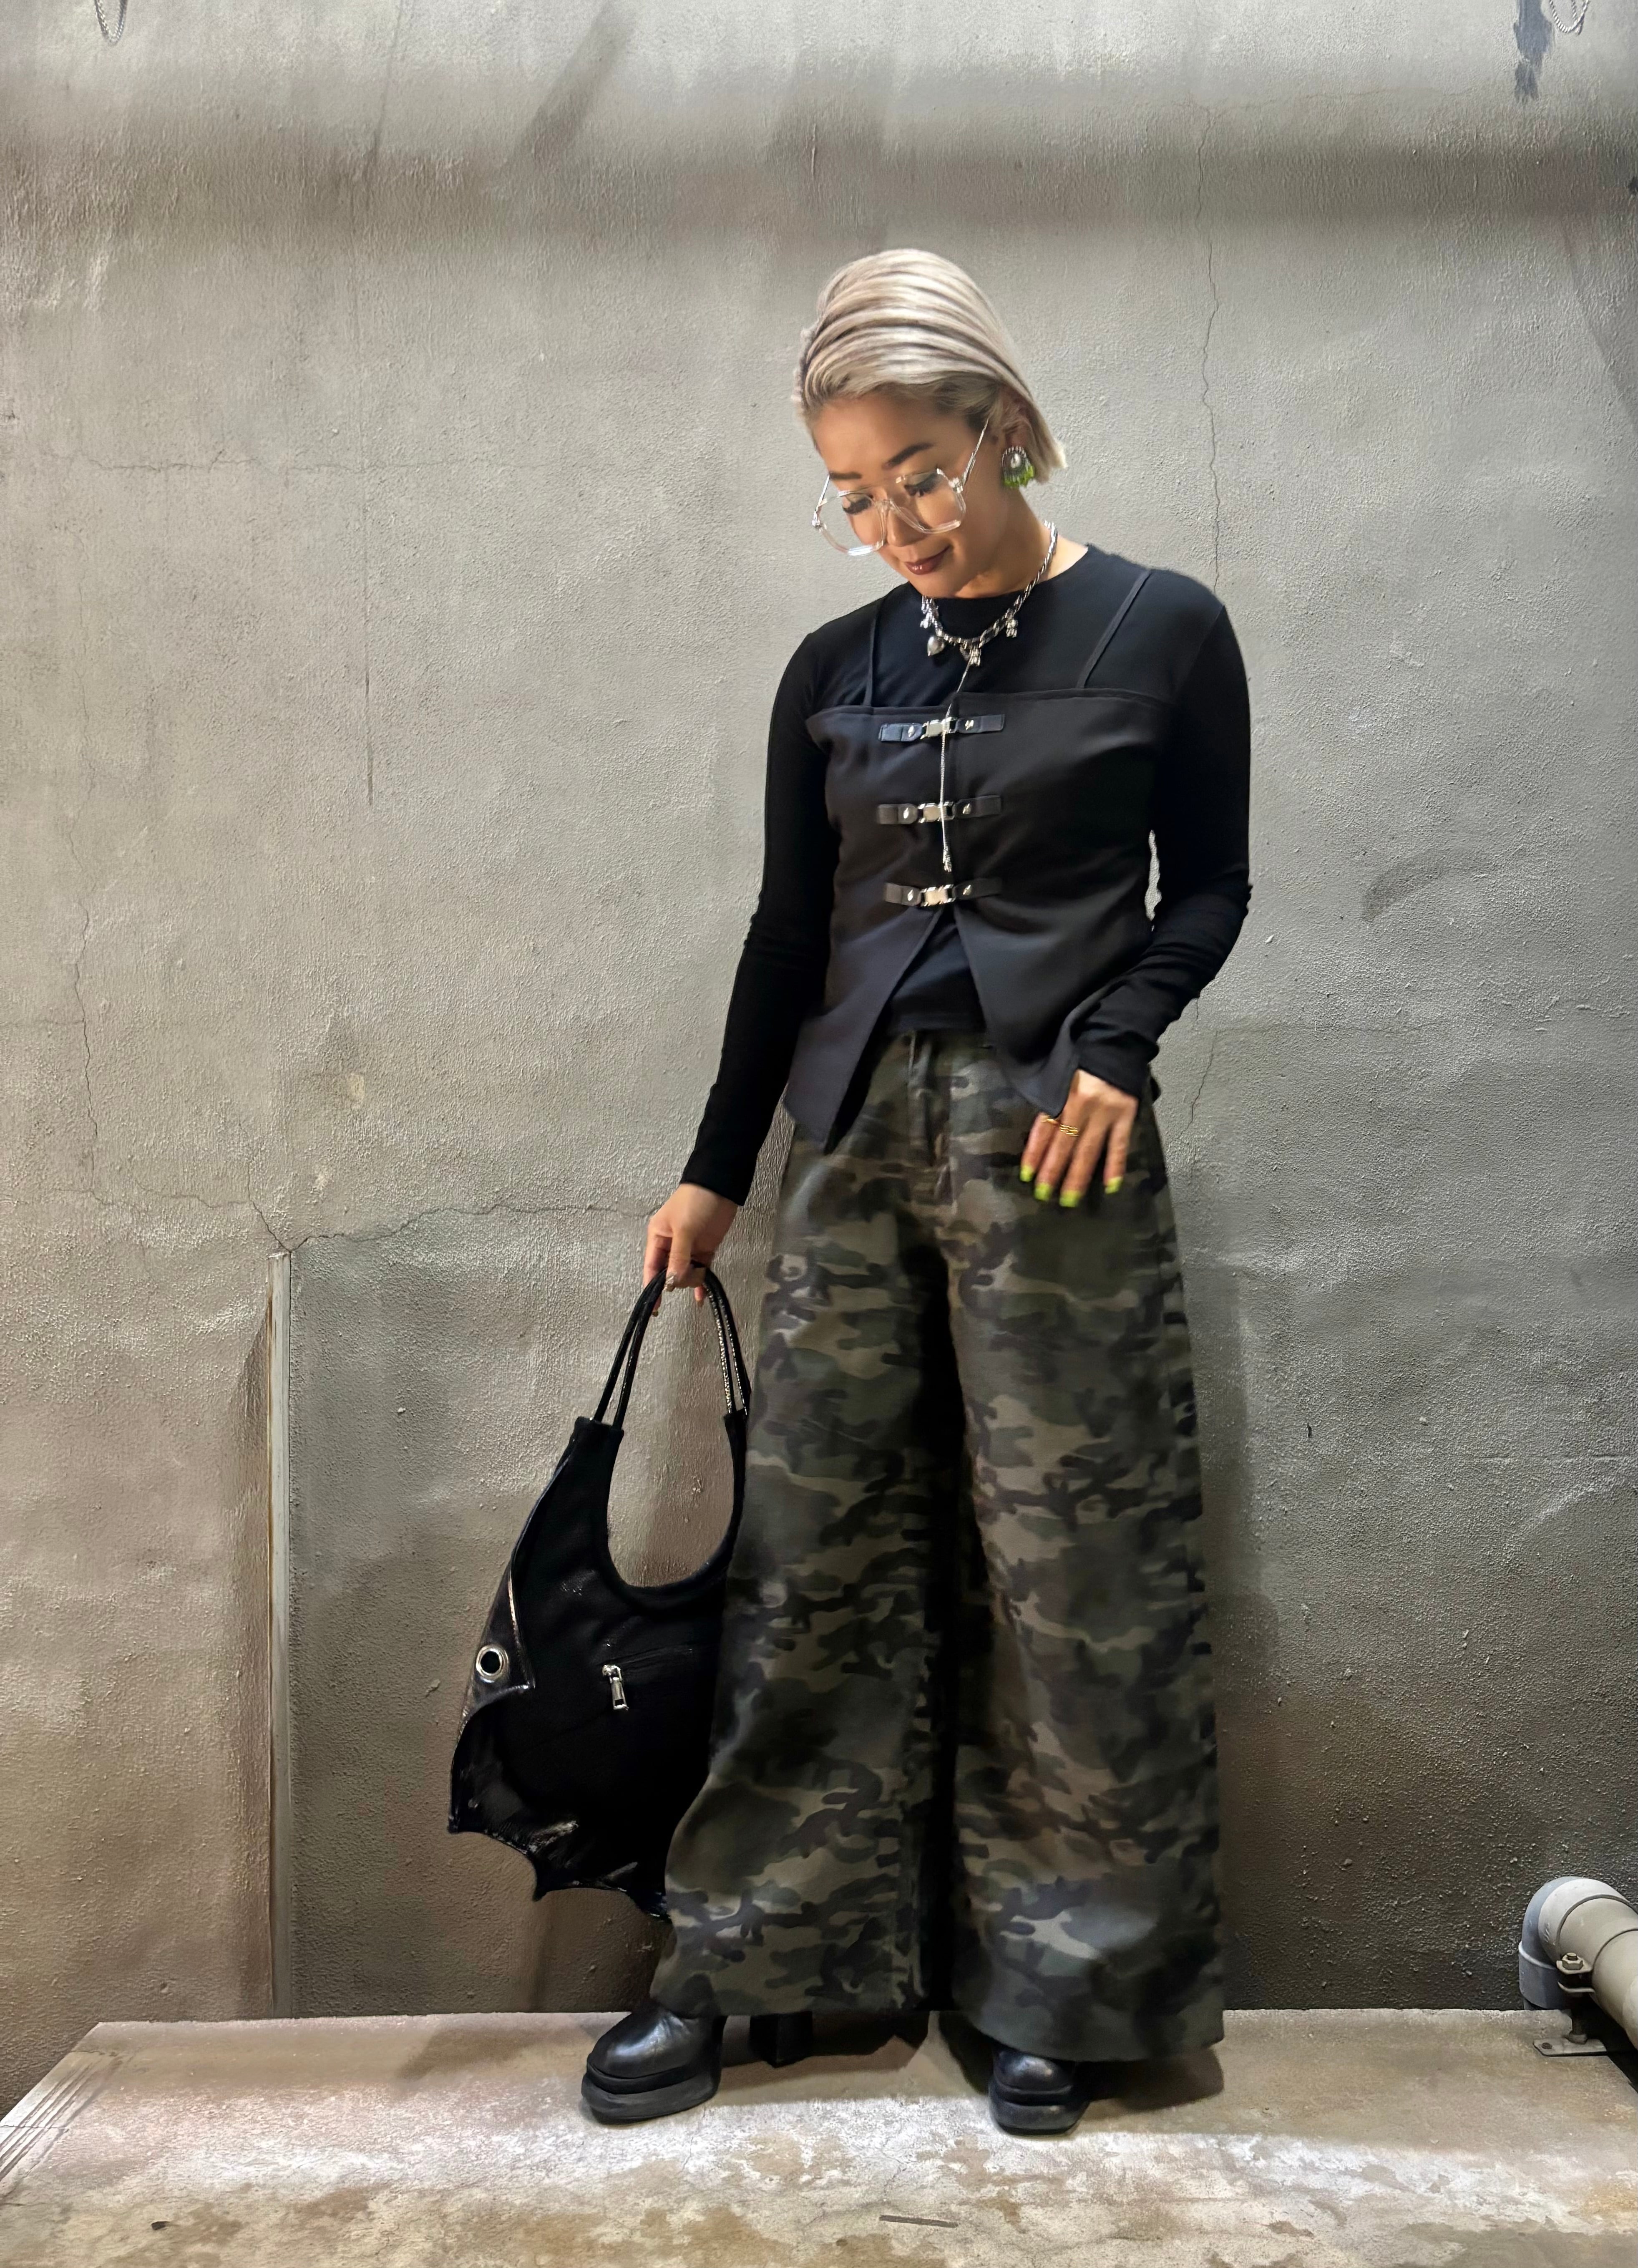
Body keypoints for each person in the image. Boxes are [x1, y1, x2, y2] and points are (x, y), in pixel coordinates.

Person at [581, 248, 1252, 2135]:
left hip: (1059, 1143)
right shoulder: (833, 669)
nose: (897, 528)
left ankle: (1065, 1984)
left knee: (1075, 1570)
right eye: (856, 497)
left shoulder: (1165, 627)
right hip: (853, 1140)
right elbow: (785, 934)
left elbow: (1209, 883)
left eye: (924, 476)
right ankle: (758, 1958)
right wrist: (716, 1170)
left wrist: (1119, 1041)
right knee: (816, 1548)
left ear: (1007, 428)